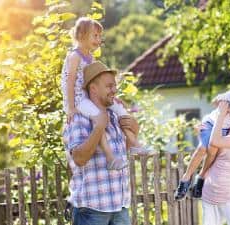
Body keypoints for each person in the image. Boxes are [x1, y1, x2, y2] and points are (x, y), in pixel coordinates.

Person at [61, 17, 150, 171]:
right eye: (95, 35)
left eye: (99, 36)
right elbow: (70, 82)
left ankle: (134, 143)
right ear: (82, 35)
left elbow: (96, 83)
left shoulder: (90, 57)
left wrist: (113, 98)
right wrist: (70, 107)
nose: (98, 39)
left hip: (88, 95)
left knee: (120, 109)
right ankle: (110, 157)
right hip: (78, 99)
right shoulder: (75, 56)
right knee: (99, 117)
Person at [64, 61, 137, 225]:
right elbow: (79, 158)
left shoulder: (113, 115)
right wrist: (98, 128)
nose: (114, 90)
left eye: (114, 85)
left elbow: (123, 153)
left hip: (119, 207)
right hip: (91, 210)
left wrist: (134, 131)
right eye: (109, 86)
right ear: (94, 89)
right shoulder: (78, 117)